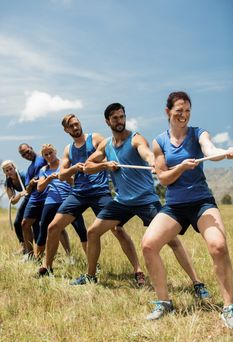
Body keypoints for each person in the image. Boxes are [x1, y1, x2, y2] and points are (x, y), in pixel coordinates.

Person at [75, 102, 208, 294]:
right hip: (122, 202)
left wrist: (154, 162)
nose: (120, 121)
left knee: (172, 240)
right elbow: (87, 166)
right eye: (115, 118)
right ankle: (90, 275)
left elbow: (146, 154)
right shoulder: (106, 144)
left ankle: (197, 283)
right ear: (107, 121)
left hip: (146, 200)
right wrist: (105, 165)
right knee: (93, 232)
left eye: (122, 117)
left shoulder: (136, 139)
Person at [142, 91, 233, 328]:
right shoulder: (159, 142)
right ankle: (164, 302)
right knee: (149, 245)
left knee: (218, 246)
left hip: (201, 202)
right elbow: (163, 178)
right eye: (178, 111)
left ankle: (229, 307)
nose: (183, 116)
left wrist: (222, 153)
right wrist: (181, 167)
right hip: (174, 205)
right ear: (167, 112)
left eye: (187, 111)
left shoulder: (197, 133)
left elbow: (209, 149)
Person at [39, 114, 145, 286]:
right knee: (53, 227)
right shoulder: (68, 149)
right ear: (66, 130)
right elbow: (62, 174)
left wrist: (103, 165)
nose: (75, 127)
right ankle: (47, 267)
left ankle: (138, 271)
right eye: (71, 126)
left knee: (117, 229)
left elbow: (109, 153)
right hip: (78, 194)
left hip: (100, 192)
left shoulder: (94, 138)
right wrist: (74, 167)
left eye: (76, 124)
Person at [35, 143, 87, 263]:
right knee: (44, 228)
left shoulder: (65, 164)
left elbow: (75, 182)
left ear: (55, 152)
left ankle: (91, 260)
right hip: (51, 200)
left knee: (81, 230)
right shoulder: (44, 170)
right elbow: (39, 188)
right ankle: (38, 261)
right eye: (46, 154)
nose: (49, 156)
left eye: (50, 153)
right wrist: (49, 179)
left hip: (69, 199)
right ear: (43, 156)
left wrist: (64, 177)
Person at [1, 160, 39, 254]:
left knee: (34, 223)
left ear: (14, 167)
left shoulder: (23, 175)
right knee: (17, 223)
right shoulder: (7, 182)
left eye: (10, 169)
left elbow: (29, 190)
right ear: (4, 172)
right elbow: (12, 201)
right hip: (27, 198)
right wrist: (20, 195)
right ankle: (24, 247)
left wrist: (24, 193)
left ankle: (39, 248)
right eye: (7, 170)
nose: (9, 171)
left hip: (35, 197)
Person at [18, 143, 47, 257]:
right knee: (24, 224)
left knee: (52, 226)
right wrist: (30, 184)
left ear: (31, 148)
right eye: (23, 154)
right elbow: (28, 190)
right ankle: (30, 255)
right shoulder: (30, 168)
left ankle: (68, 255)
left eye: (27, 151)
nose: (26, 154)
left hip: (46, 196)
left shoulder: (43, 158)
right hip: (34, 199)